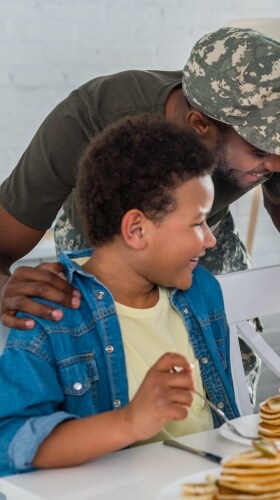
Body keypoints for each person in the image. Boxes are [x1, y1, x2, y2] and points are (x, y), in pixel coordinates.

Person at [0, 26, 280, 400]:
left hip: (209, 230)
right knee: (113, 371)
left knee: (231, 359)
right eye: (260, 150)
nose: (279, 162)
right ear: (200, 126)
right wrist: (5, 289)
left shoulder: (276, 141)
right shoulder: (89, 119)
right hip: (101, 241)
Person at [0, 115, 240, 477]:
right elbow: (9, 442)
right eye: (197, 223)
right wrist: (130, 421)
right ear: (136, 229)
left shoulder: (202, 292)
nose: (210, 240)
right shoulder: (54, 311)